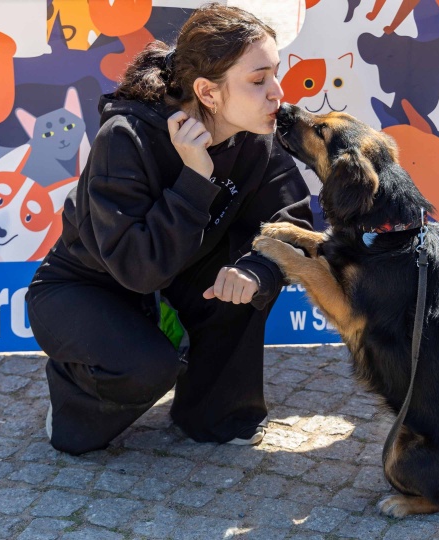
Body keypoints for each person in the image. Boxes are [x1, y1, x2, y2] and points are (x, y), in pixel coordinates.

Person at [26, 3, 314, 455]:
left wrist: (257, 271)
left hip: (177, 277)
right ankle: (74, 383)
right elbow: (137, 270)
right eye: (258, 81)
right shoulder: (127, 137)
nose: (278, 93)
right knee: (136, 379)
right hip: (87, 286)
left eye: (276, 74)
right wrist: (194, 180)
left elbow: (291, 220)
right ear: (208, 92)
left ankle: (211, 411)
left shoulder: (257, 134)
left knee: (245, 277)